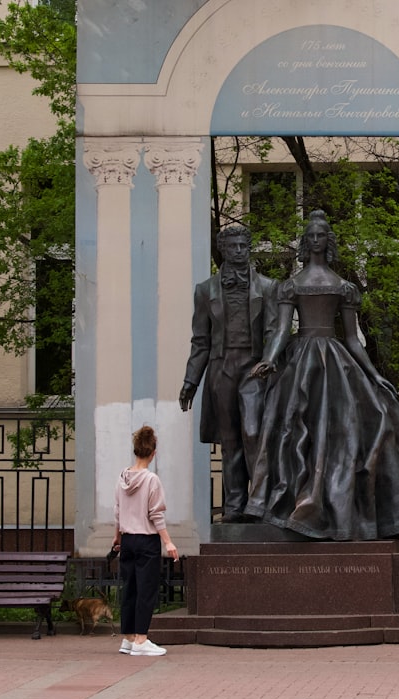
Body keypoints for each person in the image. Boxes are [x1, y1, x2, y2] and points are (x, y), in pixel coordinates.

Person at [243, 210, 399, 540]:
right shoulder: (291, 286)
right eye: (311, 236)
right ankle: (291, 503)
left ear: (328, 242)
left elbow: (351, 339)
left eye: (321, 235)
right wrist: (270, 359)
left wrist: (375, 376)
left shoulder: (344, 287)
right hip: (300, 359)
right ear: (305, 243)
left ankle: (346, 509)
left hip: (336, 359)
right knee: (293, 427)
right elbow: (280, 331)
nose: (315, 240)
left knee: (367, 420)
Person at [180, 225, 278, 523]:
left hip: (254, 368)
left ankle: (261, 501)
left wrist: (270, 360)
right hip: (221, 367)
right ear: (222, 249)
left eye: (243, 246)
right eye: (233, 246)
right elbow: (200, 341)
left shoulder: (268, 287)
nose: (238, 251)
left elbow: (274, 331)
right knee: (230, 439)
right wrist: (190, 381)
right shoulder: (205, 290)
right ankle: (235, 504)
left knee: (253, 433)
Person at [112, 425, 179, 656]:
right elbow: (156, 514)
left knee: (129, 588)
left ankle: (128, 638)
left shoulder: (123, 477)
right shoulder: (152, 480)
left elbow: (118, 511)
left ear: (135, 451)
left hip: (127, 539)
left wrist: (117, 536)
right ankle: (141, 639)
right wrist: (168, 542)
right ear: (153, 453)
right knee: (146, 590)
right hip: (147, 540)